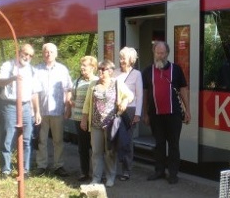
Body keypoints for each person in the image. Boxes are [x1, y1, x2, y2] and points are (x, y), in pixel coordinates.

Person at [142, 41, 191, 184]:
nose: (160, 56)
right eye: (157, 53)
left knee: (174, 144)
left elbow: (183, 90)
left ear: (167, 54)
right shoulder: (147, 71)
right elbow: (145, 94)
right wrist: (145, 113)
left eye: (162, 53)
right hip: (155, 114)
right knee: (159, 144)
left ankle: (173, 173)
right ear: (154, 53)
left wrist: (188, 110)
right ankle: (159, 171)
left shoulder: (176, 69)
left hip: (174, 114)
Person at [80, 60, 134, 188]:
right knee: (96, 152)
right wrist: (84, 119)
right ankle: (96, 178)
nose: (100, 71)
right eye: (99, 68)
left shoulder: (117, 83)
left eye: (103, 69)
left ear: (110, 71)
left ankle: (110, 177)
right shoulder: (93, 84)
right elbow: (87, 103)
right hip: (95, 124)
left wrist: (125, 101)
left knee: (110, 152)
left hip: (111, 125)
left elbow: (130, 95)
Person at [0, 44, 42, 179]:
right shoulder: (8, 66)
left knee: (27, 139)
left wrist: (37, 111)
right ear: (19, 52)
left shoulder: (32, 71)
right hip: (9, 105)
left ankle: (24, 169)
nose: (27, 57)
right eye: (25, 53)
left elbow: (34, 93)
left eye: (30, 55)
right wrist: (12, 78)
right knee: (8, 137)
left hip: (25, 106)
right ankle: (5, 170)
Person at [33, 43, 73, 177]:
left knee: (58, 140)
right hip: (41, 112)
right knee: (41, 140)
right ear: (43, 54)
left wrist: (68, 107)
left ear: (56, 54)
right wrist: (36, 111)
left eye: (51, 52)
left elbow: (68, 89)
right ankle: (41, 166)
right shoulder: (36, 70)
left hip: (57, 111)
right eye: (46, 51)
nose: (48, 54)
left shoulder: (62, 69)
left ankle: (58, 166)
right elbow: (34, 92)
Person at [66, 56, 98, 182]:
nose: (82, 68)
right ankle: (85, 172)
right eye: (81, 65)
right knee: (83, 147)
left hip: (93, 120)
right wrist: (71, 101)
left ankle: (97, 173)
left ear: (93, 67)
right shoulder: (77, 81)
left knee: (96, 148)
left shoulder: (96, 81)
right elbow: (72, 97)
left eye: (85, 65)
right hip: (79, 119)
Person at [116, 47, 143, 181]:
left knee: (126, 141)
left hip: (130, 111)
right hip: (115, 110)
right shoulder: (114, 73)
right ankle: (114, 167)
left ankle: (126, 170)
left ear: (131, 60)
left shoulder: (137, 74)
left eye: (124, 58)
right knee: (114, 139)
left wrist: (138, 114)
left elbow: (139, 95)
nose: (121, 61)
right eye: (120, 58)